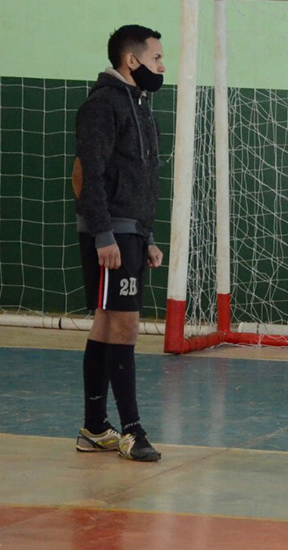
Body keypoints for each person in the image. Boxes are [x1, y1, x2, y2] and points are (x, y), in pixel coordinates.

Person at [72, 25, 167, 462]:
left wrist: (145, 236)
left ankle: (94, 428)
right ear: (132, 60)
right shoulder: (102, 106)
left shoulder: (141, 107)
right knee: (124, 327)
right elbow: (89, 175)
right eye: (157, 58)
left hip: (131, 234)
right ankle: (131, 431)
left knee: (106, 324)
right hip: (110, 234)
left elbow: (140, 180)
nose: (162, 67)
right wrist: (104, 234)